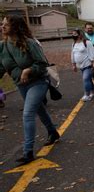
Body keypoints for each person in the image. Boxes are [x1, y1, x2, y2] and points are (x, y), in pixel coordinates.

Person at [0, 15, 60, 164]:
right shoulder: (2, 46)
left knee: (28, 114)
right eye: (2, 24)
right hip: (21, 85)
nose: (2, 27)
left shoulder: (30, 43)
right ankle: (53, 132)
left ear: (15, 26)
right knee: (39, 110)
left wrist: (28, 70)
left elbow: (42, 64)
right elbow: (1, 67)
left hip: (38, 82)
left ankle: (28, 152)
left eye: (5, 24)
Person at [71, 29, 94, 101]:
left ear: (80, 35)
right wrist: (73, 64)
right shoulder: (74, 44)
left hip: (88, 64)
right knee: (88, 79)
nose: (73, 35)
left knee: (85, 78)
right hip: (80, 66)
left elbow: (92, 52)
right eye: (72, 34)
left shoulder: (87, 42)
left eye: (75, 34)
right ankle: (93, 92)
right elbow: (73, 54)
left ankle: (87, 94)